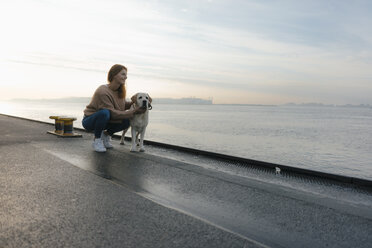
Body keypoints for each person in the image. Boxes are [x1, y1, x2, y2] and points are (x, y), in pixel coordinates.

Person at [82, 64, 145, 152]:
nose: (126, 77)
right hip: (90, 120)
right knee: (105, 113)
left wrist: (135, 102)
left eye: (126, 75)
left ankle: (106, 135)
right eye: (123, 74)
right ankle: (97, 140)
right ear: (114, 75)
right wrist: (134, 111)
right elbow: (112, 113)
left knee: (127, 121)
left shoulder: (120, 91)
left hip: (107, 120)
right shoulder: (103, 91)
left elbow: (121, 106)